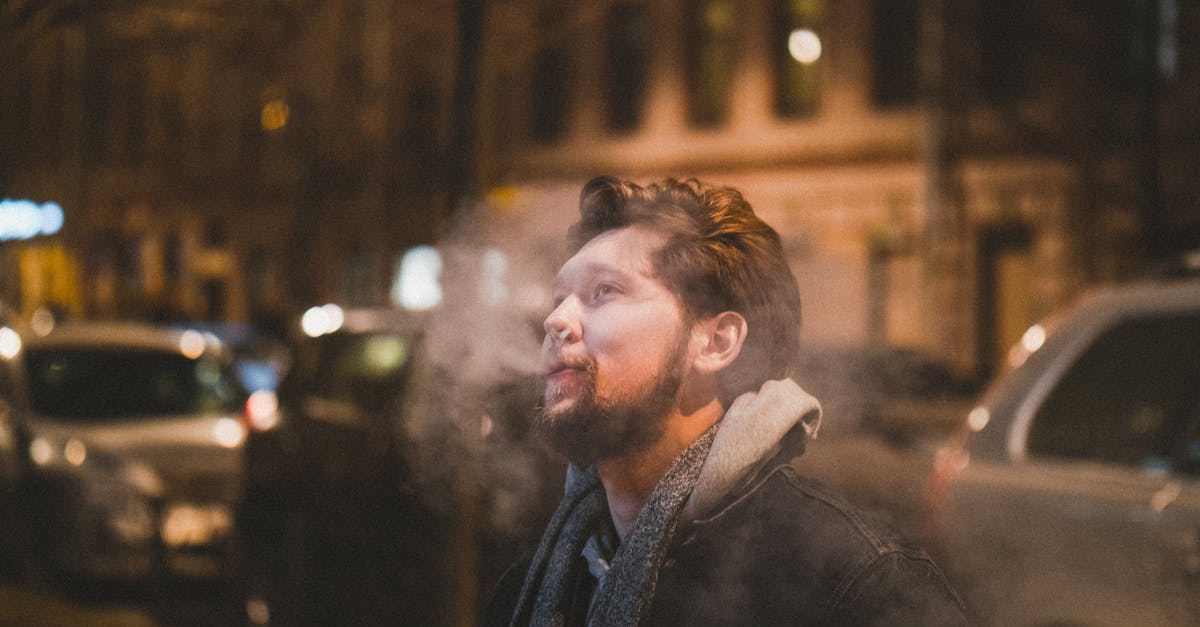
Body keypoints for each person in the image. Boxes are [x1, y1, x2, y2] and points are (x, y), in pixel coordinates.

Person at [484, 176, 968, 626]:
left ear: (715, 343)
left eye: (603, 291)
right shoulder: (536, 583)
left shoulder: (853, 581)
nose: (557, 320)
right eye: (559, 298)